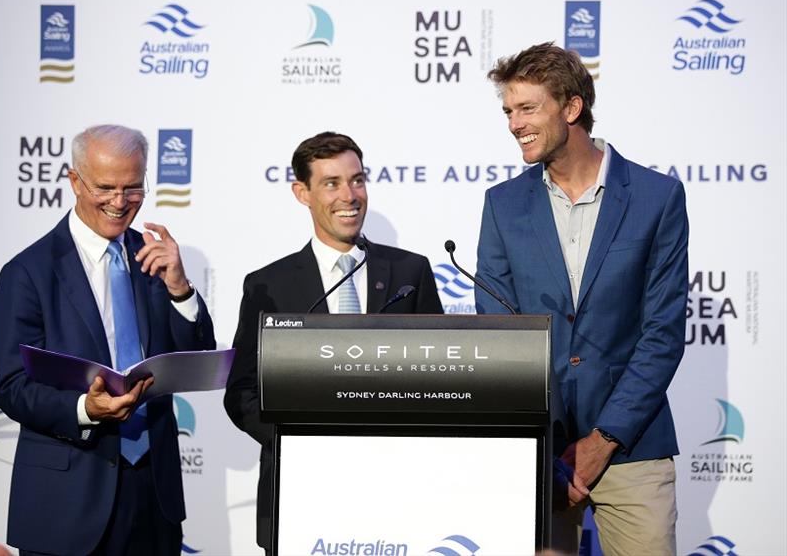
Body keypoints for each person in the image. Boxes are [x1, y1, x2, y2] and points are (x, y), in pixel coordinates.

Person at [476, 43, 688, 555]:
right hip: (537, 451)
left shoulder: (657, 198)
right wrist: (546, 450)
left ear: (571, 108)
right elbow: (499, 336)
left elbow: (662, 334)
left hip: (633, 445)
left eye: (527, 108)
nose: (513, 124)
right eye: (508, 111)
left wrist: (601, 441)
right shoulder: (502, 205)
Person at [0, 124, 216, 555]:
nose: (119, 202)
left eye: (132, 188)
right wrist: (84, 409)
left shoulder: (153, 259)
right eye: (106, 187)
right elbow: (13, 388)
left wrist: (180, 288)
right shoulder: (27, 273)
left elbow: (199, 357)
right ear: (75, 181)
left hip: (153, 497)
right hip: (67, 505)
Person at [224, 131, 443, 554]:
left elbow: (435, 376)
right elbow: (242, 392)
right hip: (300, 490)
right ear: (301, 193)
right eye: (332, 183)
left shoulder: (409, 273)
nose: (350, 195)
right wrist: (298, 442)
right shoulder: (269, 284)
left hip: (399, 492)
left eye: (357, 180)